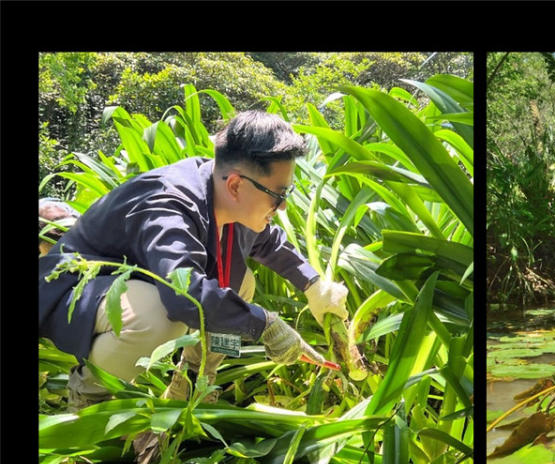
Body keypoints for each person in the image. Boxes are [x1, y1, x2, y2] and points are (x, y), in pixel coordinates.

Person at [39, 110, 349, 410]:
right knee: (159, 316)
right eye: (278, 194)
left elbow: (269, 241)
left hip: (132, 287)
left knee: (240, 284)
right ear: (237, 185)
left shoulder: (227, 195)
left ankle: (190, 390)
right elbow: (182, 296)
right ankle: (91, 399)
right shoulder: (169, 205)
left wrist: (313, 285)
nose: (281, 206)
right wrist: (263, 324)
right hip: (73, 291)